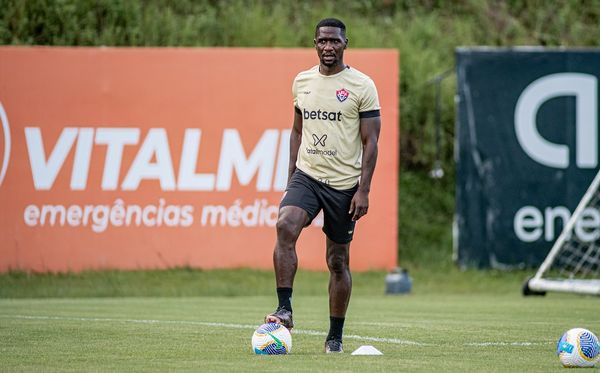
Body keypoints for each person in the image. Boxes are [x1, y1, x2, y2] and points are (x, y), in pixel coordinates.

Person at [265, 17, 381, 354]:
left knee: (337, 261)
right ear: (315, 44)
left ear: (345, 43)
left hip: (344, 186)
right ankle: (284, 308)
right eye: (322, 41)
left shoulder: (361, 85)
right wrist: (290, 177)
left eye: (334, 41)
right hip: (307, 175)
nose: (328, 47)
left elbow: (371, 141)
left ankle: (334, 337)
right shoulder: (302, 82)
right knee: (285, 225)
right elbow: (297, 131)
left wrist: (364, 189)